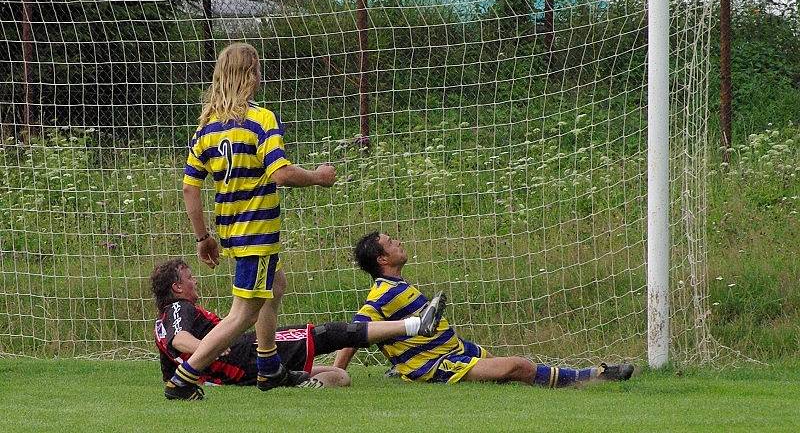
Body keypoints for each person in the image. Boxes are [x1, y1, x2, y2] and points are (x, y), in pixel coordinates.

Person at [167, 42, 337, 400]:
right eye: (256, 70)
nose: (259, 76)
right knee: (242, 314)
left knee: (274, 284)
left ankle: (268, 364)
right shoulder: (259, 119)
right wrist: (319, 176)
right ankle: (185, 377)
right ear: (249, 75)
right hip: (256, 230)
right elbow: (282, 173)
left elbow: (189, 188)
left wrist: (203, 238)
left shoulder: (207, 128)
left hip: (232, 231)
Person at [333, 232, 635, 387]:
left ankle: (399, 371)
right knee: (517, 366)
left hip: (458, 350)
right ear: (382, 260)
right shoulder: (382, 293)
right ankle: (594, 376)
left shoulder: (397, 285)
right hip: (439, 365)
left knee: (510, 374)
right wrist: (337, 375)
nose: (397, 241)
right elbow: (356, 333)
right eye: (390, 242)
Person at [151, 259, 446, 393]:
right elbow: (181, 341)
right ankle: (415, 325)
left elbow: (172, 364)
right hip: (247, 353)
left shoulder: (161, 322)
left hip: (242, 372)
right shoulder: (178, 308)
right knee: (328, 334)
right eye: (189, 277)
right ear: (177, 287)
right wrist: (216, 350)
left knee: (339, 375)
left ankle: (295, 388)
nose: (195, 281)